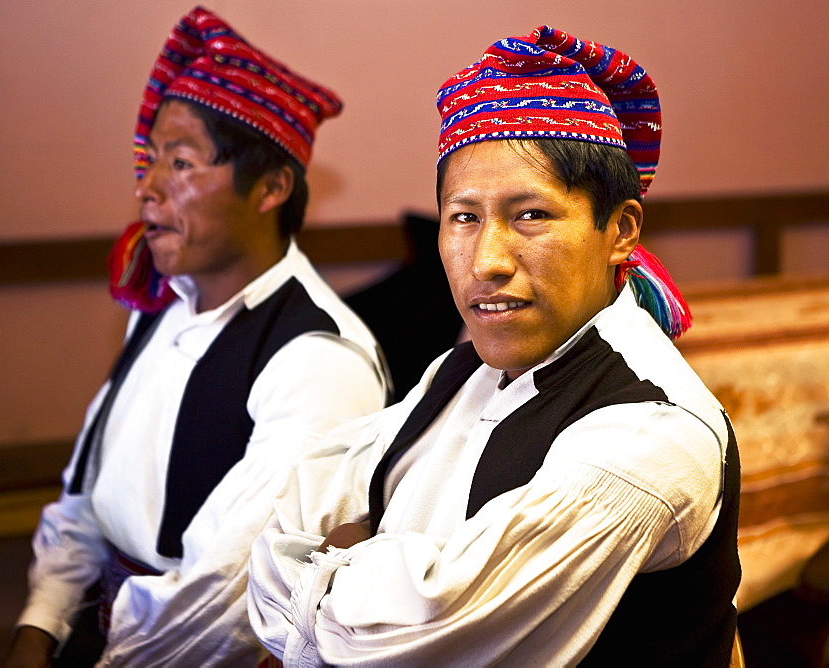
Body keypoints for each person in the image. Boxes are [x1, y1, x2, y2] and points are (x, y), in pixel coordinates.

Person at [248, 25, 740, 666]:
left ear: (619, 230)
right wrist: (370, 575)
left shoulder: (648, 433)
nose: (486, 260)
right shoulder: (462, 370)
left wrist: (344, 559)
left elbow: (412, 637)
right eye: (464, 217)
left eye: (531, 214)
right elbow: (283, 522)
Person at [5, 7, 389, 667]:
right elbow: (86, 497)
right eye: (151, 159)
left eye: (180, 163)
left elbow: (222, 601)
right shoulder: (163, 302)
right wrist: (39, 629)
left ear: (271, 187)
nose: (147, 186)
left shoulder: (318, 362)